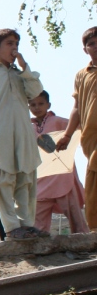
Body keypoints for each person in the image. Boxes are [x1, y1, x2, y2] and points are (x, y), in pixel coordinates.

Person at [0, 28, 48, 239]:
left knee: (26, 179)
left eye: (16, 43)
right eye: (9, 43)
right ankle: (11, 227)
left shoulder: (21, 75)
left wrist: (25, 67)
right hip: (1, 134)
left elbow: (35, 92)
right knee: (5, 181)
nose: (14, 48)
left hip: (24, 133)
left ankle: (27, 224)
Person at [27, 90, 87, 234]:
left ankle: (85, 240)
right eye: (33, 105)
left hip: (62, 176)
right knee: (37, 221)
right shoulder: (28, 128)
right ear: (28, 107)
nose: (37, 107)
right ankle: (40, 243)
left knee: (75, 216)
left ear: (48, 105)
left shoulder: (58, 121)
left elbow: (80, 127)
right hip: (41, 177)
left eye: (41, 104)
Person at [56, 27, 97, 231]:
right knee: (93, 180)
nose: (96, 47)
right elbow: (77, 108)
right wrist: (67, 135)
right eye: (92, 44)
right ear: (85, 49)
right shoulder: (82, 75)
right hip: (91, 136)